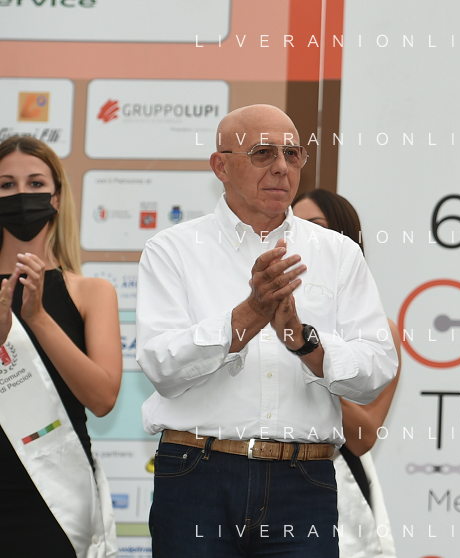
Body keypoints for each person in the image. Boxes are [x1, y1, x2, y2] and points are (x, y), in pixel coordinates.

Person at [136, 105, 398, 557]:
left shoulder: (338, 253)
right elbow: (162, 366)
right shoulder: (173, 249)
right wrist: (249, 315)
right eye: (263, 153)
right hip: (197, 475)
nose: (281, 166)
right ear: (220, 165)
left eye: (292, 154)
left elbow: (376, 368)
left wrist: (303, 341)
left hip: (304, 480)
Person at [0, 135, 121, 557]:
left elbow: (103, 399)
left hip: (56, 503)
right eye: (6, 185)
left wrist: (37, 318)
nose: (21, 195)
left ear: (56, 197)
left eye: (35, 184)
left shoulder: (91, 292)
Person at [292, 188, 400, 558]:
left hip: (336, 484)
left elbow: (363, 437)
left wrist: (311, 360)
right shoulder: (259, 317)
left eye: (316, 226)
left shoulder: (379, 332)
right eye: (293, 227)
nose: (303, 236)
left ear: (346, 238)